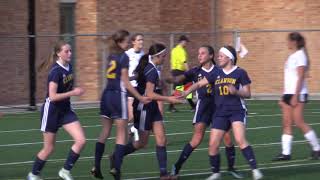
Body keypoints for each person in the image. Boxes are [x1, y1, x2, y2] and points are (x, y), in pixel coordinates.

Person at [181, 45, 263, 180]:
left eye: (221, 55)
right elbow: (199, 84)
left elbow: (248, 93)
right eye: (218, 55)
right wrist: (186, 92)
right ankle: (216, 173)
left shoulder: (240, 72)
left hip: (236, 110)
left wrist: (236, 91)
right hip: (220, 112)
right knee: (213, 144)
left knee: (240, 139)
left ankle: (255, 170)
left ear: (229, 58)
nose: (218, 58)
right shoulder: (216, 73)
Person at [169, 45, 242, 179]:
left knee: (227, 139)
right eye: (198, 53)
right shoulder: (195, 71)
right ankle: (176, 167)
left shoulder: (219, 70)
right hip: (203, 106)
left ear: (211, 56)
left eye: (203, 53)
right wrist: (169, 81)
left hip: (218, 106)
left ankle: (231, 167)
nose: (199, 56)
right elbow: (179, 79)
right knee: (196, 139)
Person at [111, 43, 181, 180]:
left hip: (152, 107)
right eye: (164, 56)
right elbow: (149, 94)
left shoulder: (150, 66)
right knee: (142, 143)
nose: (165, 58)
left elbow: (138, 78)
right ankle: (116, 155)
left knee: (162, 139)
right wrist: (169, 99)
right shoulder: (152, 70)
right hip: (144, 107)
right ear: (157, 56)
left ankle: (163, 174)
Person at [90, 30, 150, 180]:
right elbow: (125, 82)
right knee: (121, 133)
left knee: (105, 131)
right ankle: (116, 169)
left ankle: (96, 166)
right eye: (127, 40)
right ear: (121, 41)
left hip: (106, 95)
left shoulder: (111, 55)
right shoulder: (123, 56)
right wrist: (139, 97)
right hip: (118, 96)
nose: (128, 42)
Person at [27, 41, 86, 180]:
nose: (70, 53)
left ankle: (65, 171)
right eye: (66, 51)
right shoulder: (55, 72)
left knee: (81, 140)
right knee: (49, 148)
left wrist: (74, 90)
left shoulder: (69, 67)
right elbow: (52, 97)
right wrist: (73, 93)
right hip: (52, 111)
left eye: (70, 50)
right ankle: (33, 174)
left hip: (65, 110)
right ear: (58, 53)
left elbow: (66, 88)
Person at [273, 32, 320, 161]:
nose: (287, 43)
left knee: (299, 122)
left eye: (289, 41)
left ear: (294, 42)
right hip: (288, 94)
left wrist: (296, 95)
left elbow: (300, 77)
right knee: (286, 123)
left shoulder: (300, 56)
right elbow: (288, 78)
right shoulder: (291, 56)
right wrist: (283, 96)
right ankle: (285, 153)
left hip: (297, 94)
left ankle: (317, 148)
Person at [169, 35, 196, 112]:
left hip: (175, 71)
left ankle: (193, 106)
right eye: (186, 42)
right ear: (182, 41)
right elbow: (184, 62)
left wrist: (172, 72)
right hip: (180, 72)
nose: (186, 43)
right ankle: (171, 106)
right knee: (179, 89)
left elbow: (172, 62)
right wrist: (189, 72)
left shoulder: (173, 50)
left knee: (187, 87)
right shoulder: (181, 50)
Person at [126, 33, 145, 141]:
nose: (141, 42)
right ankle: (129, 133)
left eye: (142, 40)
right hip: (130, 88)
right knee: (132, 115)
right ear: (133, 42)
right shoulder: (127, 54)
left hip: (141, 88)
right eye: (139, 40)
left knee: (141, 114)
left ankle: (134, 132)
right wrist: (130, 78)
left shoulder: (144, 55)